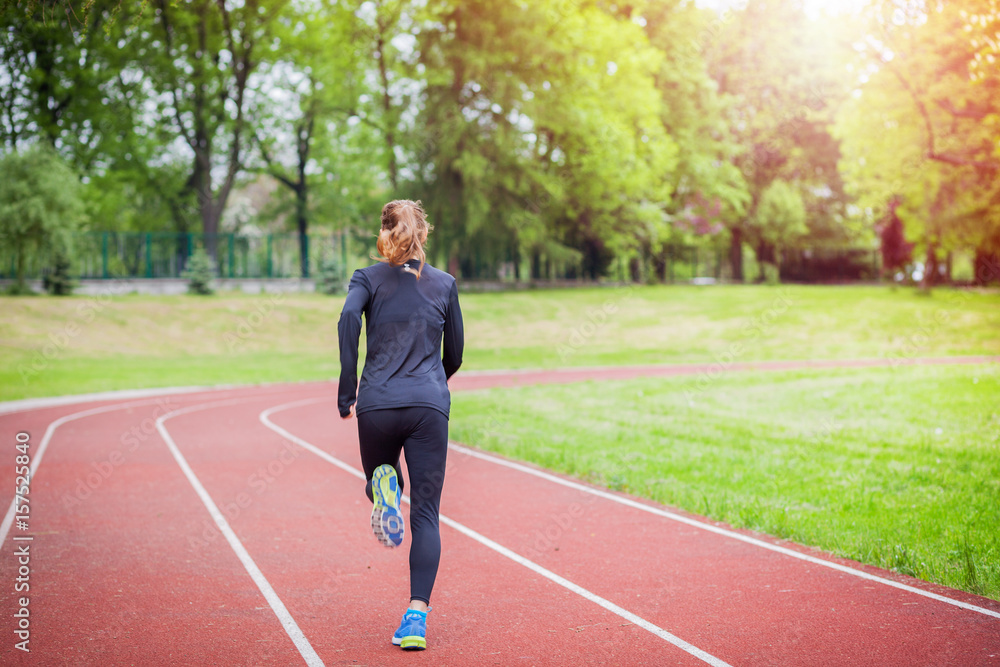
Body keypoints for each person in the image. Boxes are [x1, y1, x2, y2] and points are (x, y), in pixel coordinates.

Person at [337, 199, 464, 651]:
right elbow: (457, 354)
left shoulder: (367, 279)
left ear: (385, 232)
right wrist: (432, 384)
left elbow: (349, 317)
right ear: (423, 234)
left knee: (377, 482)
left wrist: (347, 388)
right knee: (426, 517)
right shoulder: (445, 284)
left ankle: (384, 489)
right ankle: (415, 617)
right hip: (429, 406)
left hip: (378, 404)